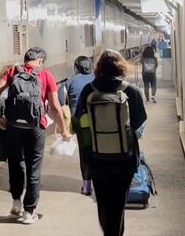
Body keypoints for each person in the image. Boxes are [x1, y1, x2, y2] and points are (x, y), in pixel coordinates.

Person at [0, 47, 70, 225]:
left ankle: (16, 202)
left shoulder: (12, 71)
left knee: (15, 163)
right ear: (40, 61)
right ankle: (29, 212)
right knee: (33, 168)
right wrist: (63, 129)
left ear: (25, 59)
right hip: (36, 127)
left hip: (13, 126)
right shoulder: (46, 75)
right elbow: (55, 106)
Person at [75, 50, 147, 236]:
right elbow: (139, 120)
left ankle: (109, 231)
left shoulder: (88, 90)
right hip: (125, 157)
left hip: (98, 156)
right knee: (118, 202)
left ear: (98, 68)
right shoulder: (131, 90)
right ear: (121, 67)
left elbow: (79, 120)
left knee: (103, 202)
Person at [67, 56, 95, 195]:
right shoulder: (97, 78)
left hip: (80, 121)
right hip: (98, 120)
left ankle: (87, 186)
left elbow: (61, 98)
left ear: (76, 67)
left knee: (84, 152)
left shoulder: (71, 80)